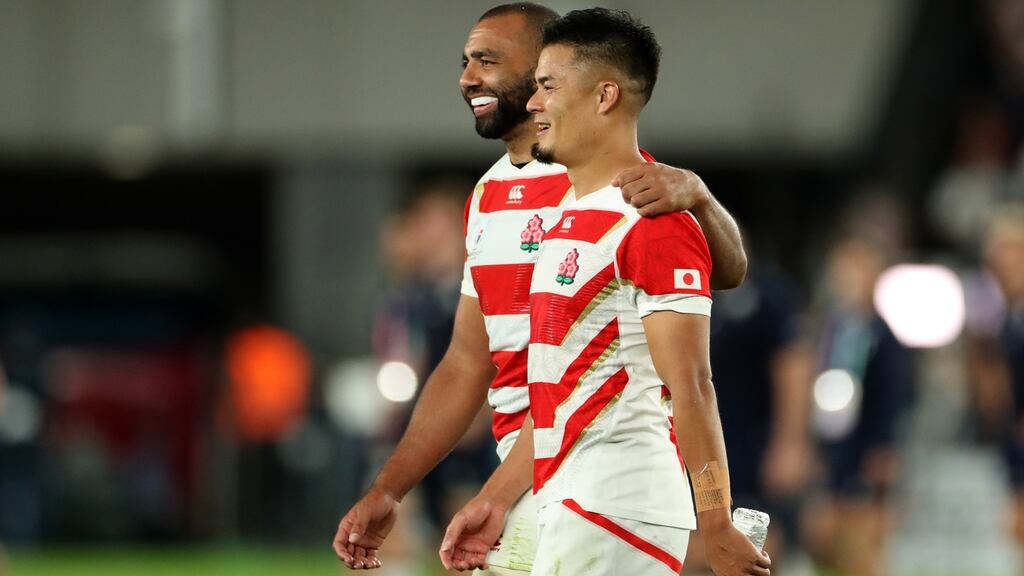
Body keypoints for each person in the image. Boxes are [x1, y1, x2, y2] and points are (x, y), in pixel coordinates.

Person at [333, 3, 749, 573]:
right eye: (465, 62)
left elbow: (708, 309)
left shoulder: (621, 192)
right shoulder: (492, 197)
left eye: (488, 61)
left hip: (603, 476)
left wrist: (699, 197)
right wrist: (391, 487)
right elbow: (468, 361)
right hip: (540, 468)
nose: (468, 78)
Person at [442, 8, 769, 576]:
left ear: (604, 96)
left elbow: (693, 384)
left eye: (548, 87)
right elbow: (562, 392)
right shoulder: (569, 214)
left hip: (617, 505)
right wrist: (497, 497)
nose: (534, 103)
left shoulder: (652, 218)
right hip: (570, 498)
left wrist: (716, 522)